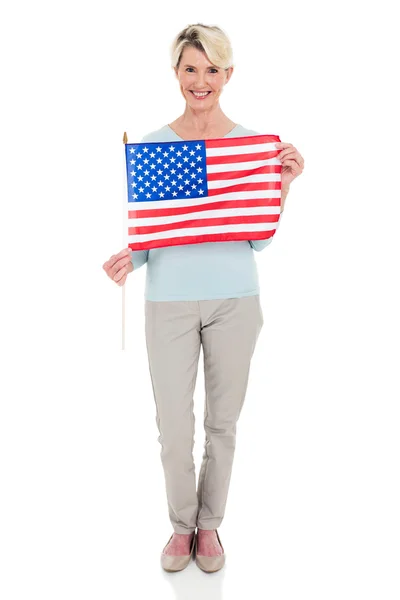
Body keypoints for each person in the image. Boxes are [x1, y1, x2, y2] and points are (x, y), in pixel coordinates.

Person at [103, 23, 304, 573]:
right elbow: (158, 231)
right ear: (177, 74)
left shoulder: (249, 147)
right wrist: (129, 258)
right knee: (174, 426)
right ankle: (179, 527)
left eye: (212, 69)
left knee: (223, 422)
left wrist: (282, 182)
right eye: (191, 68)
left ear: (228, 75)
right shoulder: (153, 147)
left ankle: (209, 528)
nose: (201, 80)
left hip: (235, 300)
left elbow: (257, 237)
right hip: (167, 302)